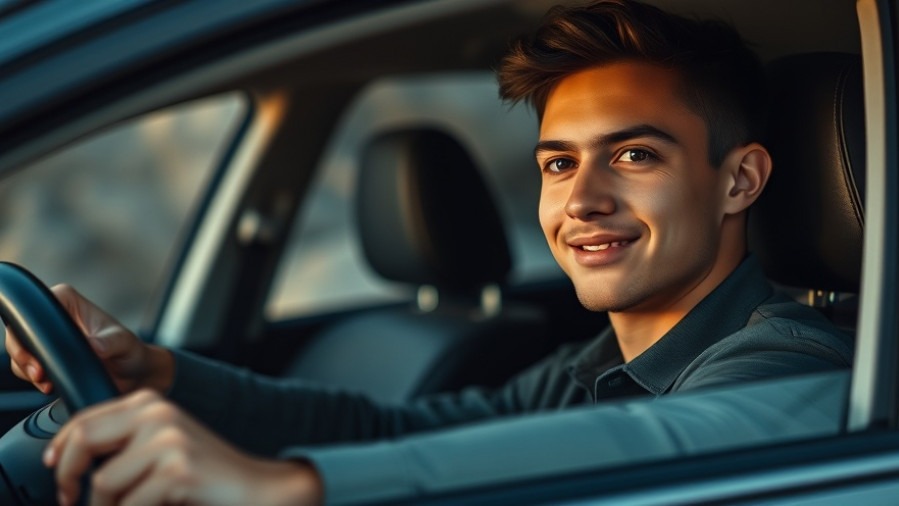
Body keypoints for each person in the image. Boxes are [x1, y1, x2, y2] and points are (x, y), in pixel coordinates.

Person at [5, 0, 854, 504]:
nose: (582, 200)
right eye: (559, 163)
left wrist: (290, 488)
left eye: (634, 156)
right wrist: (157, 372)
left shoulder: (791, 358)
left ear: (739, 181)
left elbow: (677, 441)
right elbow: (390, 428)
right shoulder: (591, 366)